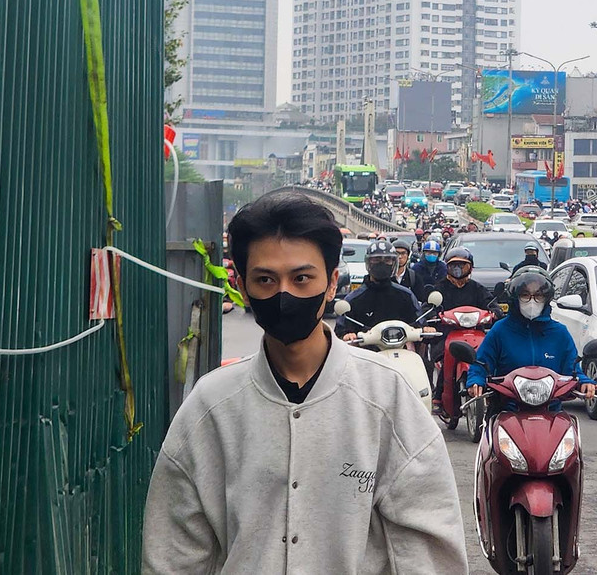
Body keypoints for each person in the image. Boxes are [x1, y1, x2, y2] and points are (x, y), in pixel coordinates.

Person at [141, 191, 465, 574]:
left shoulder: (388, 400)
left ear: (331, 284)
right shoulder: (210, 408)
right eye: (265, 279)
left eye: (301, 278)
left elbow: (429, 548)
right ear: (242, 287)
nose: (284, 294)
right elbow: (173, 554)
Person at [466, 267, 597, 401]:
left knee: (568, 423)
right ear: (515, 298)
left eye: (538, 295)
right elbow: (482, 363)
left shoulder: (560, 333)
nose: (532, 301)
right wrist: (476, 380)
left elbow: (572, 369)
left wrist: (584, 382)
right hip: (507, 408)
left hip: (551, 410)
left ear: (546, 299)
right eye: (525, 295)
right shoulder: (500, 330)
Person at [429, 247, 497, 410]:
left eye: (462, 265)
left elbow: (490, 304)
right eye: (454, 266)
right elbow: (429, 306)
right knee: (446, 357)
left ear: (470, 268)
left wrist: (495, 312)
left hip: (475, 333)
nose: (458, 270)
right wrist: (431, 316)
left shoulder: (477, 288)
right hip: (447, 333)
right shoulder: (440, 288)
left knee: (489, 356)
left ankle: (495, 390)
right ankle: (438, 395)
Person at [335, 239, 425, 340]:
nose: (382, 264)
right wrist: (348, 334)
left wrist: (425, 329)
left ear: (393, 263)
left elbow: (419, 322)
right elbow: (341, 329)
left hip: (400, 349)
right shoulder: (354, 299)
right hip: (366, 353)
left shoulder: (406, 295)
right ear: (368, 263)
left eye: (387, 260)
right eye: (377, 260)